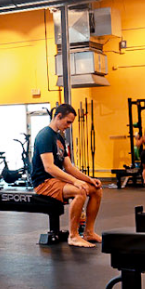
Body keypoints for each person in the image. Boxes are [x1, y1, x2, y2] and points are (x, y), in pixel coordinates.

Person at [31, 103, 102, 248]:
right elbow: (49, 167)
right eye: (68, 122)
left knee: (96, 190)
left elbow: (68, 166)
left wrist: (89, 180)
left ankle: (88, 232)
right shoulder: (44, 136)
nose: (69, 125)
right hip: (43, 183)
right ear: (58, 116)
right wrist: (76, 182)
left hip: (56, 181)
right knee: (80, 191)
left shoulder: (60, 138)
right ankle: (73, 236)